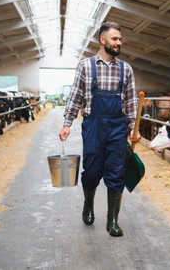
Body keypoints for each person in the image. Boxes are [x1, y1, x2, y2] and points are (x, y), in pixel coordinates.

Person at [59, 21, 141, 237]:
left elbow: (132, 102)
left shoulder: (126, 69)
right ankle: (88, 206)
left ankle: (112, 221)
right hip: (93, 125)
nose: (119, 43)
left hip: (117, 127)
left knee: (116, 173)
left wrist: (134, 127)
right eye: (114, 39)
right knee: (92, 171)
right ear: (102, 40)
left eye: (120, 39)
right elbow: (75, 95)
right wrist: (67, 123)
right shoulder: (86, 66)